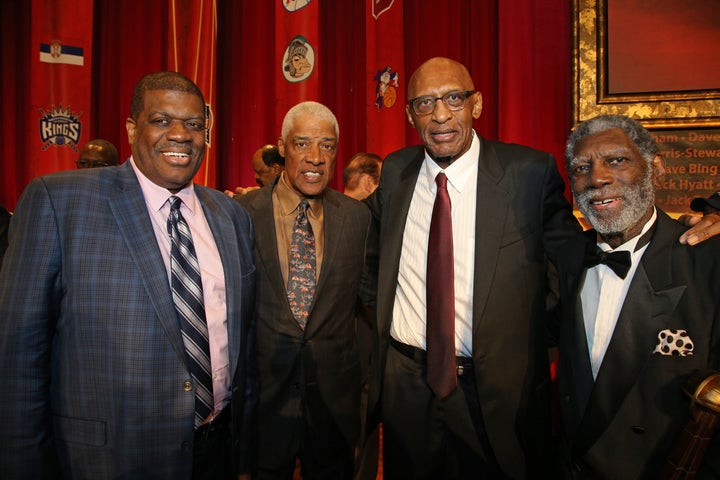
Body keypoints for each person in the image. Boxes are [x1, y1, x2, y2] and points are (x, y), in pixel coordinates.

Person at [363, 56, 720, 479]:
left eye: (453, 98)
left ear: (476, 104)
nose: (440, 114)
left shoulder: (527, 172)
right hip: (408, 384)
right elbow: (363, 251)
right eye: (425, 103)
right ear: (409, 114)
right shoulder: (397, 170)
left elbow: (574, 255)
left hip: (497, 390)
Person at [0, 71, 258, 479]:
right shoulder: (59, 202)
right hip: (109, 459)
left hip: (216, 451)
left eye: (194, 124)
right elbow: (18, 360)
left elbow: (244, 343)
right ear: (132, 128)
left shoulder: (231, 217)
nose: (181, 134)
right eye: (161, 121)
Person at [555, 114, 720, 479]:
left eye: (616, 160)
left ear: (656, 169)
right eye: (582, 167)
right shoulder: (564, 258)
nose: (597, 178)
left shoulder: (708, 261)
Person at [235, 101, 373, 479]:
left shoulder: (357, 217)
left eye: (327, 146)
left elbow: (368, 297)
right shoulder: (241, 214)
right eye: (302, 144)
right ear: (282, 147)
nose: (315, 157)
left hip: (333, 403)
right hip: (264, 400)